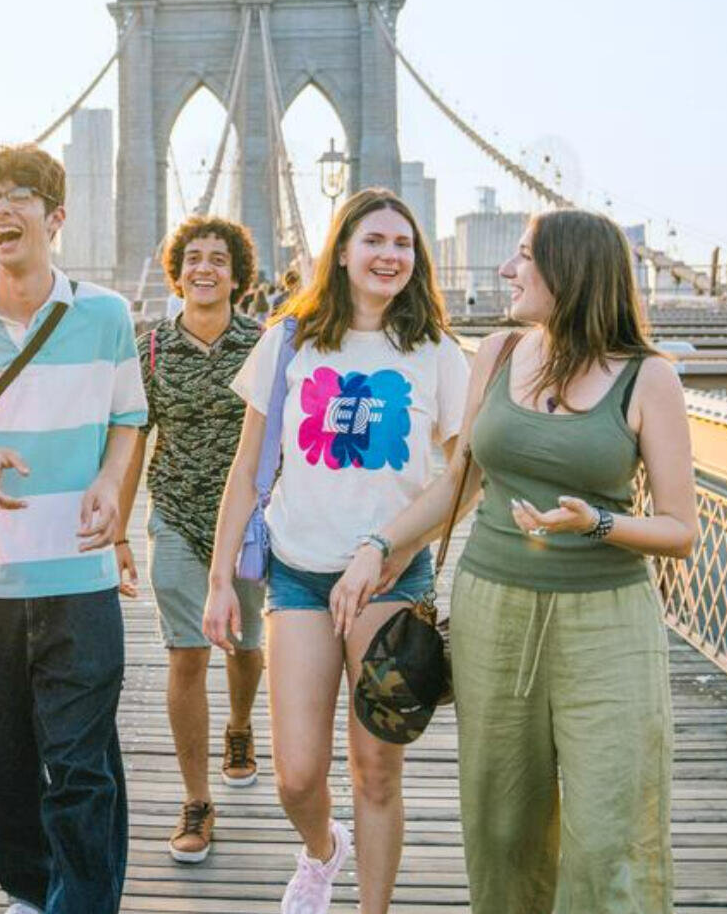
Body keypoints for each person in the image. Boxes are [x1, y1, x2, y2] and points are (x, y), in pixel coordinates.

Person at [347, 207, 697, 913]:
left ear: (569, 271)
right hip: (493, 610)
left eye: (524, 256)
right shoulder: (500, 354)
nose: (507, 270)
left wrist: (597, 522)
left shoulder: (649, 379)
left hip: (609, 624)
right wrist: (380, 547)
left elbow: (679, 528)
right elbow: (459, 482)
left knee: (608, 831)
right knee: (503, 821)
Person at [204, 188, 470, 914]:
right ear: (343, 251)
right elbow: (246, 466)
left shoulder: (437, 352)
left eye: (403, 245)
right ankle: (324, 851)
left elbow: (466, 476)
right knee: (296, 773)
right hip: (297, 573)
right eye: (374, 241)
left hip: (389, 578)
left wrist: (389, 544)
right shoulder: (289, 340)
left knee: (377, 771)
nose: (389, 256)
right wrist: (220, 581)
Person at [0, 143, 147, 914]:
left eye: (19, 196)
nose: (1, 210)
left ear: (55, 216)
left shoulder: (106, 315)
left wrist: (113, 486)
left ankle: (80, 903)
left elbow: (128, 418)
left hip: (79, 578)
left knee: (81, 766)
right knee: (4, 762)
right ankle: (28, 890)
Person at [113, 214, 266, 864]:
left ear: (237, 275)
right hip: (173, 515)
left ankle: (237, 726)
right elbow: (131, 442)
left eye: (218, 259)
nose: (205, 268)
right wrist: (118, 533)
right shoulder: (149, 350)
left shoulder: (265, 346)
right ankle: (197, 800)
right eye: (193, 259)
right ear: (176, 274)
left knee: (246, 644)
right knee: (185, 655)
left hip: (250, 524)